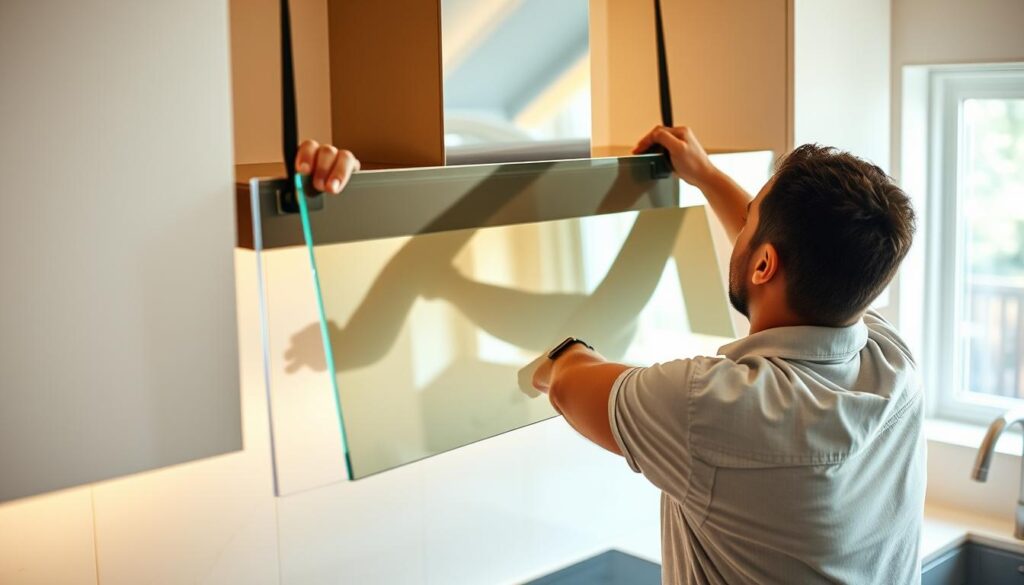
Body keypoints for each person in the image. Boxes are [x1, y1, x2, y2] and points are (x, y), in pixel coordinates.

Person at [295, 126, 923, 585]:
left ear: (763, 264)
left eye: (753, 215)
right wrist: (705, 174)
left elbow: (570, 382)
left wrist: (557, 353)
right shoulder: (892, 361)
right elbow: (776, 258)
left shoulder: (716, 407)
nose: (744, 222)